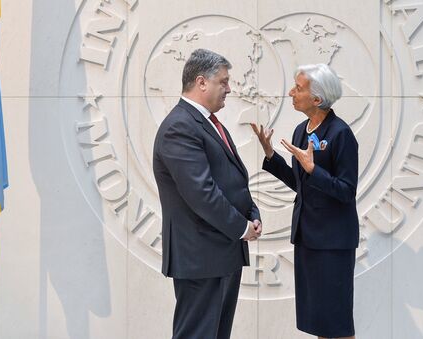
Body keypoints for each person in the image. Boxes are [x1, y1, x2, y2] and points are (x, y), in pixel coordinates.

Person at [153, 48, 262, 339]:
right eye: (223, 82)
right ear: (202, 82)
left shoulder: (209, 123)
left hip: (221, 253)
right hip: (200, 258)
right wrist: (241, 228)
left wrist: (252, 214)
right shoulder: (180, 126)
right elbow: (201, 192)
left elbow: (231, 180)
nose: (229, 88)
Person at [251, 63, 359, 339]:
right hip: (308, 237)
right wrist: (271, 156)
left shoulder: (340, 134)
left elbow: (346, 191)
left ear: (317, 99)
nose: (291, 92)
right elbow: (300, 185)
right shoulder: (302, 130)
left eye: (298, 88)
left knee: (337, 322)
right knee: (319, 320)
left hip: (333, 242)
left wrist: (314, 170)